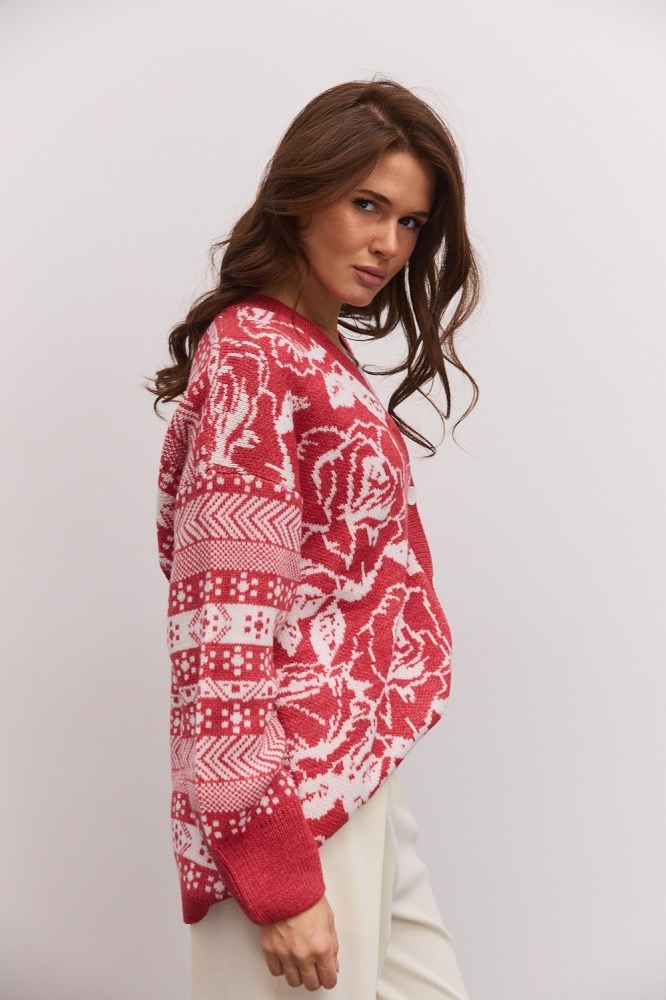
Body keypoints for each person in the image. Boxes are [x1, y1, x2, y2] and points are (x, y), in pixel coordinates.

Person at [151, 78, 480, 999]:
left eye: (411, 223)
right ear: (301, 196)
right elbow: (221, 628)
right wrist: (275, 869)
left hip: (354, 784)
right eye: (367, 205)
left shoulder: (308, 351)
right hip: (284, 807)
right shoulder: (254, 353)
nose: (389, 244)